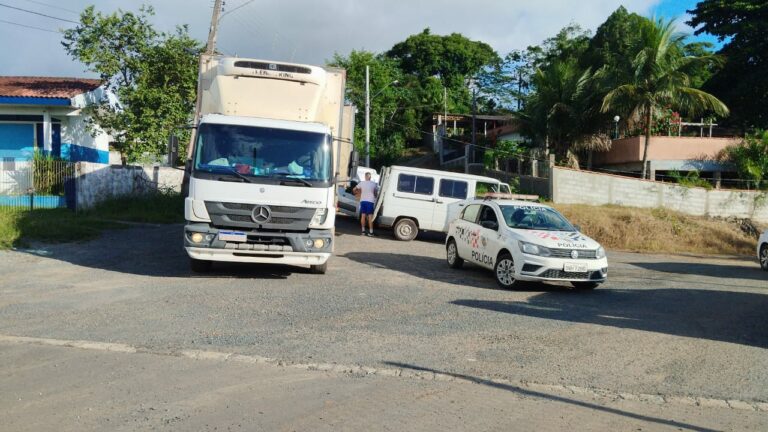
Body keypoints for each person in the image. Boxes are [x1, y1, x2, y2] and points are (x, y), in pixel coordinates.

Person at [353, 172, 378, 236]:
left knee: (363, 216)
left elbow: (354, 189)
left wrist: (357, 194)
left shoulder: (361, 183)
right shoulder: (374, 184)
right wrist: (374, 195)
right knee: (370, 217)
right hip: (370, 202)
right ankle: (371, 232)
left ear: (365, 177)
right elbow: (375, 194)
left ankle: (363, 231)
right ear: (370, 177)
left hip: (363, 201)